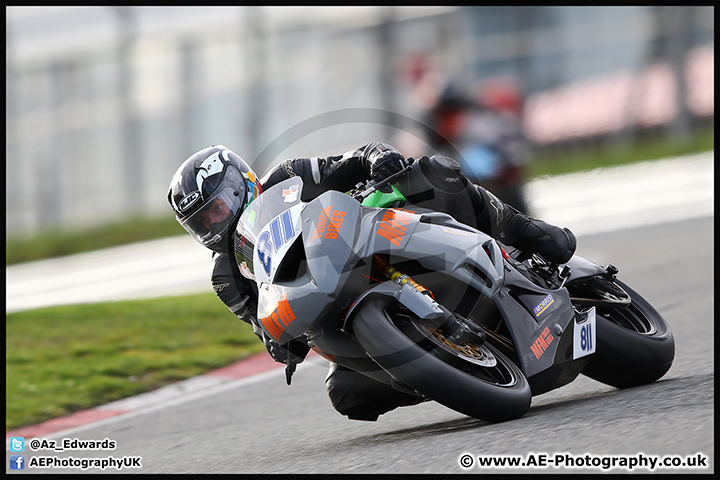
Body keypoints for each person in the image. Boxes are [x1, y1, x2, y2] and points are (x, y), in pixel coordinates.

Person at [167, 142, 576, 421]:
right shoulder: (227, 277)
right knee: (346, 395)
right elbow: (263, 329)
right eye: (202, 222)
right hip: (330, 311)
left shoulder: (288, 177)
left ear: (241, 185)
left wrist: (379, 161)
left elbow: (357, 159)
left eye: (216, 209)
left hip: (367, 234)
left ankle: (525, 231)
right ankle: (441, 371)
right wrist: (278, 342)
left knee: (433, 174)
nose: (213, 224)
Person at [424, 81, 530, 214]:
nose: (451, 120)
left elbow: (509, 154)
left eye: (454, 113)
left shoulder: (480, 125)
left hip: (500, 182)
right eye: (447, 116)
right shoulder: (438, 141)